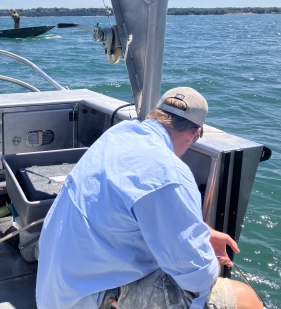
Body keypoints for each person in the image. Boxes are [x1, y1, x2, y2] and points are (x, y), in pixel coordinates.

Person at [36, 87, 263, 309]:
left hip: (55, 287)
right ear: (194, 133)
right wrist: (210, 260)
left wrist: (206, 234)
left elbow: (139, 204)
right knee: (243, 298)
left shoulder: (118, 134)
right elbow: (196, 279)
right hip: (86, 298)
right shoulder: (169, 174)